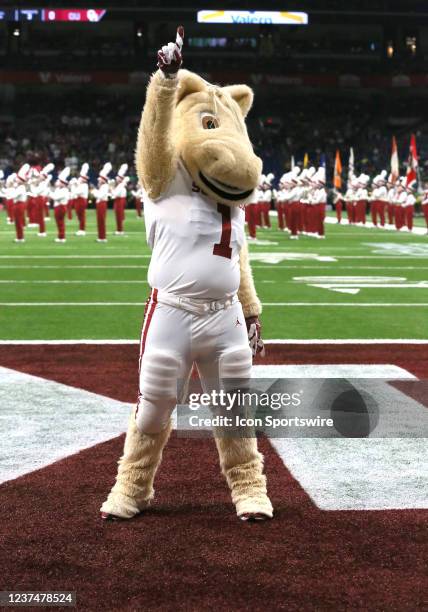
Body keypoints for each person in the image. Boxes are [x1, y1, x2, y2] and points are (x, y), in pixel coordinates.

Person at [101, 26, 272, 523]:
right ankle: (131, 487)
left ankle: (249, 488)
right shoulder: (165, 181)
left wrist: (252, 308)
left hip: (224, 317)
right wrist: (165, 81)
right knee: (154, 402)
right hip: (173, 310)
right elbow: (153, 139)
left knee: (235, 406)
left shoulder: (232, 202)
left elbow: (238, 258)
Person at [93, 162, 111, 243]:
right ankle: (100, 237)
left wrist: (94, 192)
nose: (98, 181)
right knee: (99, 221)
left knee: (101, 221)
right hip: (100, 204)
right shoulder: (102, 186)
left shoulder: (104, 186)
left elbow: (100, 196)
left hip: (102, 204)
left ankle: (103, 237)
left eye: (100, 180)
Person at [52, 167, 70, 243]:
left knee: (60, 222)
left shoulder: (64, 190)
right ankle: (60, 236)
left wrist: (50, 193)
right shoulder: (60, 189)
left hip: (61, 207)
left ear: (62, 183)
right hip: (58, 207)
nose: (58, 183)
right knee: (59, 223)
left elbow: (56, 197)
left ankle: (62, 237)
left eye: (59, 182)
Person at [13, 164, 30, 243]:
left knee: (18, 221)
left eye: (18, 178)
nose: (16, 179)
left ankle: (20, 237)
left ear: (21, 180)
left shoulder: (21, 188)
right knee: (17, 221)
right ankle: (19, 237)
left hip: (19, 205)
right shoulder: (19, 187)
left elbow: (13, 195)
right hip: (18, 204)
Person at [112, 163, 129, 235]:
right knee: (118, 216)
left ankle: (120, 230)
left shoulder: (120, 185)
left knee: (119, 216)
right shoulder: (120, 185)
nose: (116, 179)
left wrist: (111, 188)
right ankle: (119, 230)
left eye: (118, 178)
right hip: (119, 200)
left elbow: (115, 194)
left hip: (119, 201)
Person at [74, 163, 89, 236]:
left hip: (82, 200)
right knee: (79, 215)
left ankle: (82, 230)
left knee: (81, 215)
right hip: (79, 200)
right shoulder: (81, 185)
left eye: (81, 178)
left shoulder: (84, 185)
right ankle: (81, 229)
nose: (79, 179)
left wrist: (75, 185)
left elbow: (77, 192)